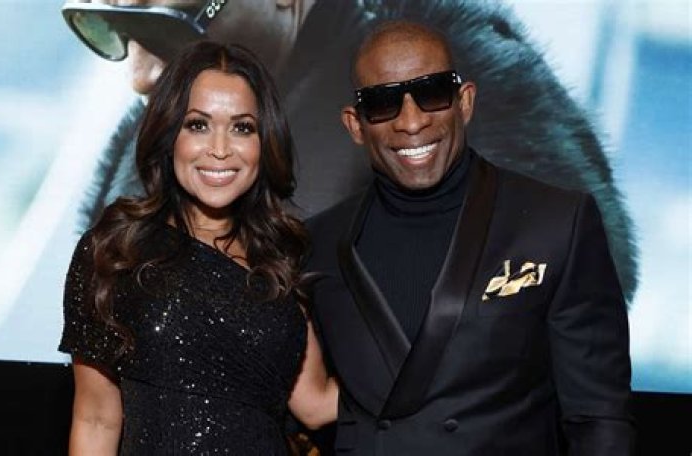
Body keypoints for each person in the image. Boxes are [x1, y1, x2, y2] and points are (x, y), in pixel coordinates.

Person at [60, 0, 638, 303]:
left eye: (168, 26)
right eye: (110, 25)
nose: (139, 75)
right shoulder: (147, 157)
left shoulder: (439, 92)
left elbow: (584, 279)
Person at [306, 21, 635, 455]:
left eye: (432, 93)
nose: (412, 121)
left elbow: (599, 420)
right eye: (383, 103)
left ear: (464, 102)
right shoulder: (317, 244)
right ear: (355, 124)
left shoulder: (557, 223)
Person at [58, 41, 337, 454]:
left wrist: (433, 361)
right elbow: (96, 417)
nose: (220, 149)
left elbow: (314, 404)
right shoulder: (118, 250)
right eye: (198, 125)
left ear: (264, 142)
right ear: (169, 134)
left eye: (242, 128)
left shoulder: (280, 256)